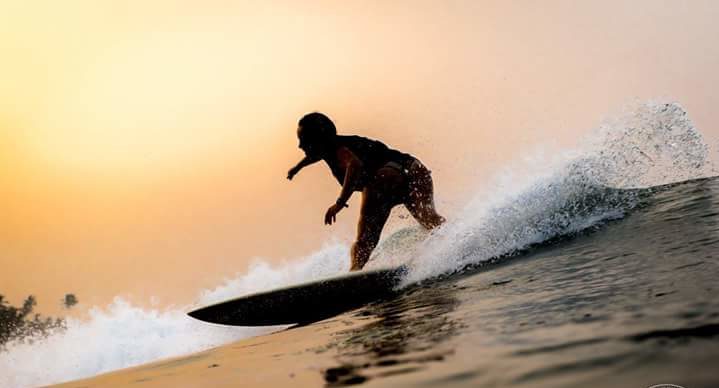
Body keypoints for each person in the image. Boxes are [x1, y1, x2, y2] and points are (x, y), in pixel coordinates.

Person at [287, 112, 445, 271]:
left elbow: (354, 165)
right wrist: (297, 168)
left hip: (387, 177)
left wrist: (340, 203)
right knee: (429, 220)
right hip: (414, 169)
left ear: (319, 140)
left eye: (304, 140)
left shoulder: (338, 150)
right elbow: (314, 156)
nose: (300, 145)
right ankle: (455, 241)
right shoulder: (328, 148)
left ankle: (354, 273)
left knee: (364, 241)